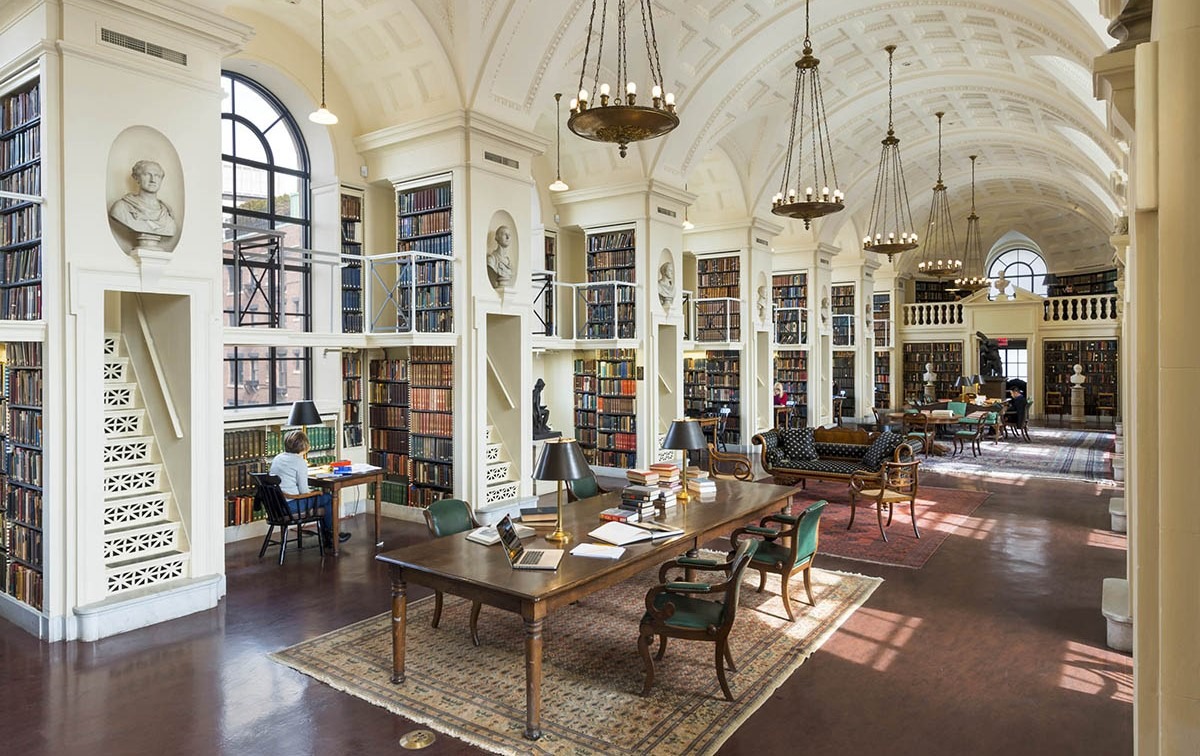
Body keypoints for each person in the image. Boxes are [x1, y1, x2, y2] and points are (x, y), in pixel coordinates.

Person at [269, 429, 350, 547]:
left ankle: (329, 535)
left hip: (276, 506)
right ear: (304, 446)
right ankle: (331, 535)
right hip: (290, 506)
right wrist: (315, 492)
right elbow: (304, 491)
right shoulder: (299, 462)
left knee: (321, 499)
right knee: (328, 498)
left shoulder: (278, 458)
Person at [109, 159, 177, 239]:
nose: (152, 180)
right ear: (137, 178)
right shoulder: (121, 208)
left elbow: (171, 230)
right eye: (147, 175)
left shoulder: (167, 213)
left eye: (157, 176)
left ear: (161, 180)